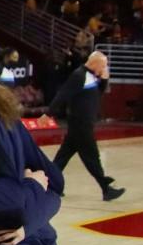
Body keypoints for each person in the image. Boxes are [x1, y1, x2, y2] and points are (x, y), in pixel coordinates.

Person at [47, 51, 124, 201]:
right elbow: (63, 94)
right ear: (95, 63)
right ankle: (106, 188)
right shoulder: (79, 75)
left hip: (83, 124)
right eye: (103, 65)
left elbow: (97, 94)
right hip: (80, 124)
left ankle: (50, 184)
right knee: (92, 157)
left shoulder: (91, 77)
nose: (105, 68)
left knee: (63, 157)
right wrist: (48, 113)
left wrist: (104, 80)